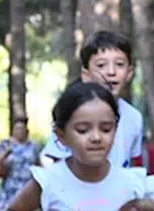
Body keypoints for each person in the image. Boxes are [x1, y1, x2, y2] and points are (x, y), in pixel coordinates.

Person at [6, 82, 154, 211]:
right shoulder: (48, 181)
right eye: (83, 130)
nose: (96, 138)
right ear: (61, 136)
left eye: (106, 129)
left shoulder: (133, 184)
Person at [41, 31, 145, 170]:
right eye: (101, 65)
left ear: (130, 73)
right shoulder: (74, 114)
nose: (111, 72)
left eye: (119, 64)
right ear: (86, 75)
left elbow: (133, 163)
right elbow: (53, 160)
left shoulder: (134, 117)